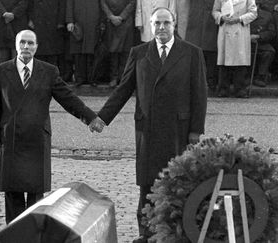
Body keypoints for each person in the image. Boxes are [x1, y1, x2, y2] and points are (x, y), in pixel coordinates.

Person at [90, 7, 207, 243]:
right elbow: (123, 89)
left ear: (174, 25)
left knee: (178, 182)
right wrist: (102, 117)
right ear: (150, 26)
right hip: (148, 129)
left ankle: (177, 234)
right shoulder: (140, 53)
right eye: (157, 23)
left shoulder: (192, 53)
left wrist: (196, 129)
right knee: (147, 184)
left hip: (179, 130)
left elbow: (200, 94)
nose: (161, 28)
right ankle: (146, 234)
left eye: (166, 23)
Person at [0, 30, 103, 224]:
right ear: (16, 45)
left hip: (36, 140)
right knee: (12, 194)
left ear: (37, 46)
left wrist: (91, 118)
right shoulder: (0, 71)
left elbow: (68, 98)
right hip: (11, 139)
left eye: (30, 43)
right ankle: (15, 236)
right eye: (22, 43)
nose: (26, 47)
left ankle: (34, 236)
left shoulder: (49, 71)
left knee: (36, 195)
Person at [212, 0, 257, 98]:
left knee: (239, 60)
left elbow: (253, 13)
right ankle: (223, 89)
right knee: (224, 60)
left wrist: (239, 19)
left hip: (239, 29)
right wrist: (221, 17)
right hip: (225, 29)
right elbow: (215, 11)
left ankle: (240, 89)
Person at [184, 0, 219, 90]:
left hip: (212, 18)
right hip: (196, 17)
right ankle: (194, 82)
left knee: (211, 52)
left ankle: (211, 82)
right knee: (194, 52)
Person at [101, 0, 136, 87]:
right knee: (113, 51)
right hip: (110, 22)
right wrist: (110, 16)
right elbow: (103, 3)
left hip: (126, 21)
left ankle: (123, 78)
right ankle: (113, 78)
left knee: (125, 51)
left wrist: (121, 17)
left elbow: (132, 3)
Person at [66, 0, 100, 86]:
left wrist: (101, 20)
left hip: (93, 21)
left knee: (92, 50)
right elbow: (69, 4)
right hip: (78, 22)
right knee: (78, 51)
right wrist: (70, 20)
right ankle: (79, 78)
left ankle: (91, 78)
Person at [250, 0, 276, 87]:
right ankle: (245, 77)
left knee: (269, 51)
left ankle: (260, 76)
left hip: (260, 42)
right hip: (244, 43)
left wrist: (259, 36)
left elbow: (272, 32)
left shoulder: (267, 16)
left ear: (258, 5)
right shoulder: (241, 14)